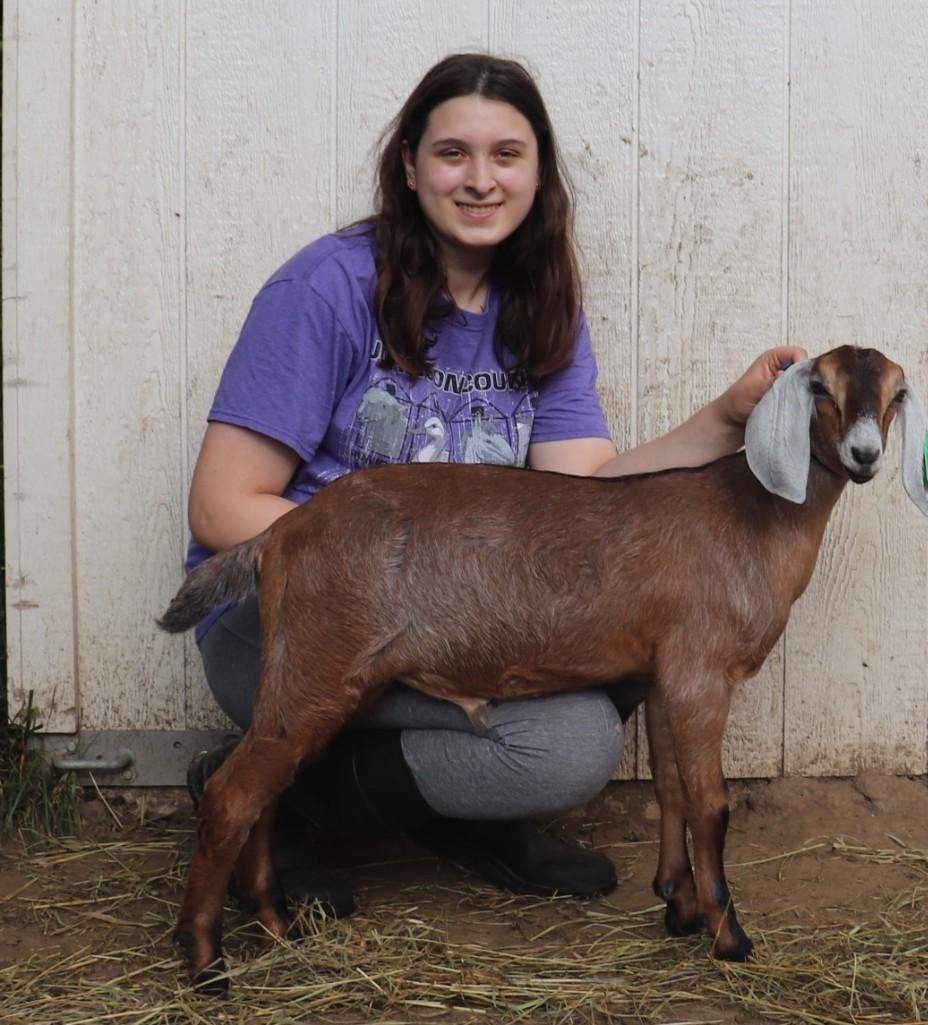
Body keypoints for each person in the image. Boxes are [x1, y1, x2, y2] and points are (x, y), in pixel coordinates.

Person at [184, 52, 806, 915]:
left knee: (589, 700)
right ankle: (283, 803)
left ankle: (448, 812)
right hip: (296, 611)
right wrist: (430, 587)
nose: (480, 180)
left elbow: (585, 491)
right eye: (452, 154)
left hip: (444, 608)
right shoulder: (325, 288)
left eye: (506, 155)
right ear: (408, 166)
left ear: (538, 169)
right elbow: (221, 509)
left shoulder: (537, 299)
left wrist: (723, 419)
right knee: (556, 741)